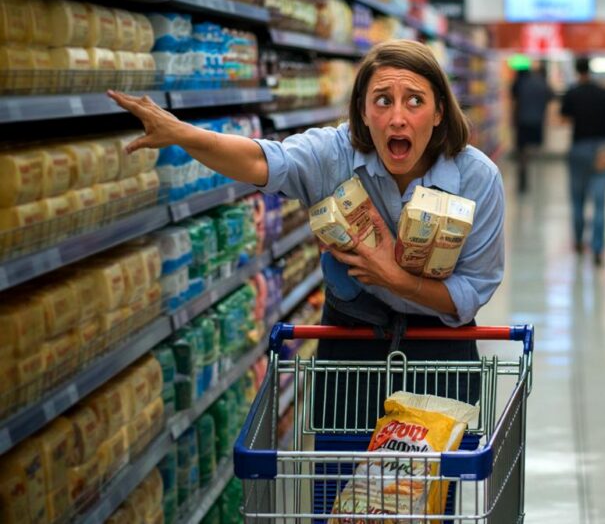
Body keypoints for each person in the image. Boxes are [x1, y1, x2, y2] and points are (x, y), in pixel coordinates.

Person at [108, 39, 505, 424]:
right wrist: (183, 134)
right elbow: (261, 160)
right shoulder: (333, 154)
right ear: (363, 113)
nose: (398, 117)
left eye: (415, 101)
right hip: (352, 348)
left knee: (428, 490)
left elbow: (471, 292)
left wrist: (396, 279)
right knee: (334, 481)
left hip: (438, 354)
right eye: (383, 100)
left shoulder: (477, 178)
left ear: (438, 112)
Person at [560, 56, 605, 265]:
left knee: (577, 201)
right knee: (600, 203)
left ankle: (578, 243)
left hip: (579, 149)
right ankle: (597, 249)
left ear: (577, 70)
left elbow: (563, 119)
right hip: (602, 150)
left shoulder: (571, 93)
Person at [511, 61, 553, 193]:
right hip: (537, 121)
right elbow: (550, 96)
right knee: (537, 149)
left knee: (522, 151)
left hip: (522, 121)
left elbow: (515, 101)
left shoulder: (520, 83)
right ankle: (540, 181)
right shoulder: (541, 82)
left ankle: (523, 178)